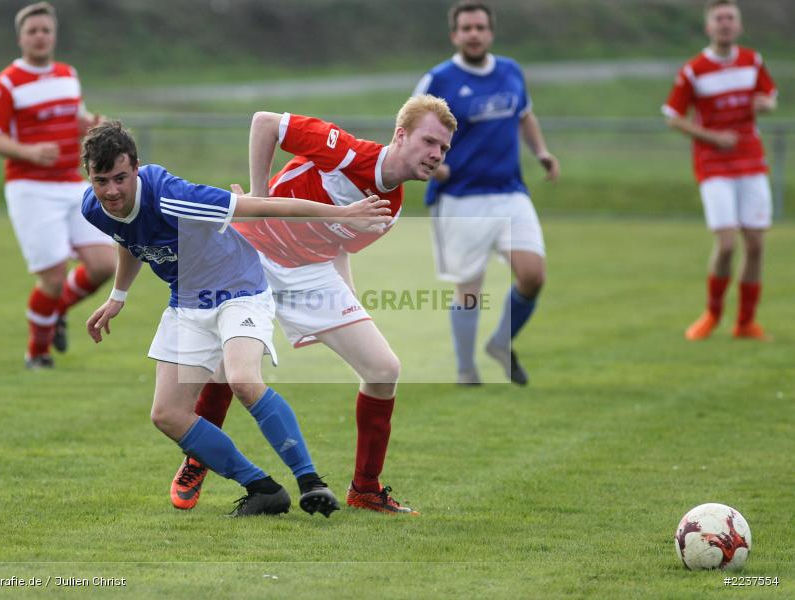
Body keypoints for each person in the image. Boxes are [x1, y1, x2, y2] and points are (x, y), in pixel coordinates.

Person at [81, 120, 392, 516]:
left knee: (243, 379)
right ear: (89, 176)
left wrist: (343, 213)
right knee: (167, 414)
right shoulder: (95, 206)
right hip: (188, 301)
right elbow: (126, 236)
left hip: (239, 287)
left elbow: (263, 206)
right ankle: (262, 489)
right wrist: (118, 296)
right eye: (101, 180)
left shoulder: (174, 197)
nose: (111, 191)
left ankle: (311, 482)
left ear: (137, 168)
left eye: (120, 179)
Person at [171, 95, 456, 516]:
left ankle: (365, 488)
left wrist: (350, 306)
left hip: (309, 273)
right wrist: (259, 199)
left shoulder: (391, 208)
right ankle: (199, 460)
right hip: (254, 256)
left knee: (383, 370)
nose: (436, 154)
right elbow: (264, 122)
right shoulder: (344, 150)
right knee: (225, 369)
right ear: (401, 135)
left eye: (444, 148)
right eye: (429, 141)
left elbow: (337, 249)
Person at [413, 1, 559, 386]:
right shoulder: (438, 80)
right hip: (460, 197)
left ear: (490, 32)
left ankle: (499, 342)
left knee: (533, 275)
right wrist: (432, 165)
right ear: (454, 35)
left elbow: (525, 114)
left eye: (480, 27)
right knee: (470, 289)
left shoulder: (510, 71)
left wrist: (541, 152)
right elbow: (409, 130)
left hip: (510, 192)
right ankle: (465, 371)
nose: (474, 34)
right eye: (466, 28)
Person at [0, 2, 115, 369]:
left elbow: (75, 117)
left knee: (105, 264)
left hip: (71, 183)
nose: (40, 37)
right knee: (53, 278)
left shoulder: (67, 74)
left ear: (54, 35)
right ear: (21, 37)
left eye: (46, 30)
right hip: (30, 188)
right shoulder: (8, 82)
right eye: (33, 31)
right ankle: (36, 354)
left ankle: (53, 312)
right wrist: (28, 150)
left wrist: (93, 125)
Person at [663, 0, 777, 341]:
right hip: (713, 165)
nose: (725, 24)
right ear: (708, 28)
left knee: (755, 244)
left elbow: (769, 96)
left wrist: (766, 104)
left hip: (751, 160)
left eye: (731, 18)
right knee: (727, 244)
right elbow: (673, 117)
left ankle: (745, 322)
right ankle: (712, 313)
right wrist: (713, 137)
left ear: (739, 26)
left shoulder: (752, 61)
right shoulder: (694, 70)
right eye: (719, 19)